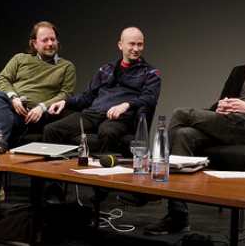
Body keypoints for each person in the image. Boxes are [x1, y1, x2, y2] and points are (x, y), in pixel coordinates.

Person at [138, 20, 245, 235]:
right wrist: (221, 106)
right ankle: (178, 213)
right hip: (226, 124)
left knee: (180, 114)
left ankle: (157, 183)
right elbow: (218, 103)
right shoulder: (239, 71)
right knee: (184, 134)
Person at [43, 27, 161, 201]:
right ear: (120, 45)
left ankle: (102, 188)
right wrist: (65, 102)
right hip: (92, 114)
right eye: (132, 44)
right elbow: (87, 96)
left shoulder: (150, 72)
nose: (136, 48)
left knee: (107, 131)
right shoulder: (105, 69)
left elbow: (150, 98)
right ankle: (53, 189)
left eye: (140, 44)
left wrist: (127, 105)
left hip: (120, 118)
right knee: (52, 129)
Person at [0, 21, 77, 206]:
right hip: (12, 113)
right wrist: (13, 98)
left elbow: (66, 94)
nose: (51, 43)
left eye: (53, 39)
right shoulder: (20, 59)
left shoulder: (66, 67)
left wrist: (42, 106)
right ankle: (0, 146)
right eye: (45, 40)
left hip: (38, 117)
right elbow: (2, 79)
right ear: (34, 43)